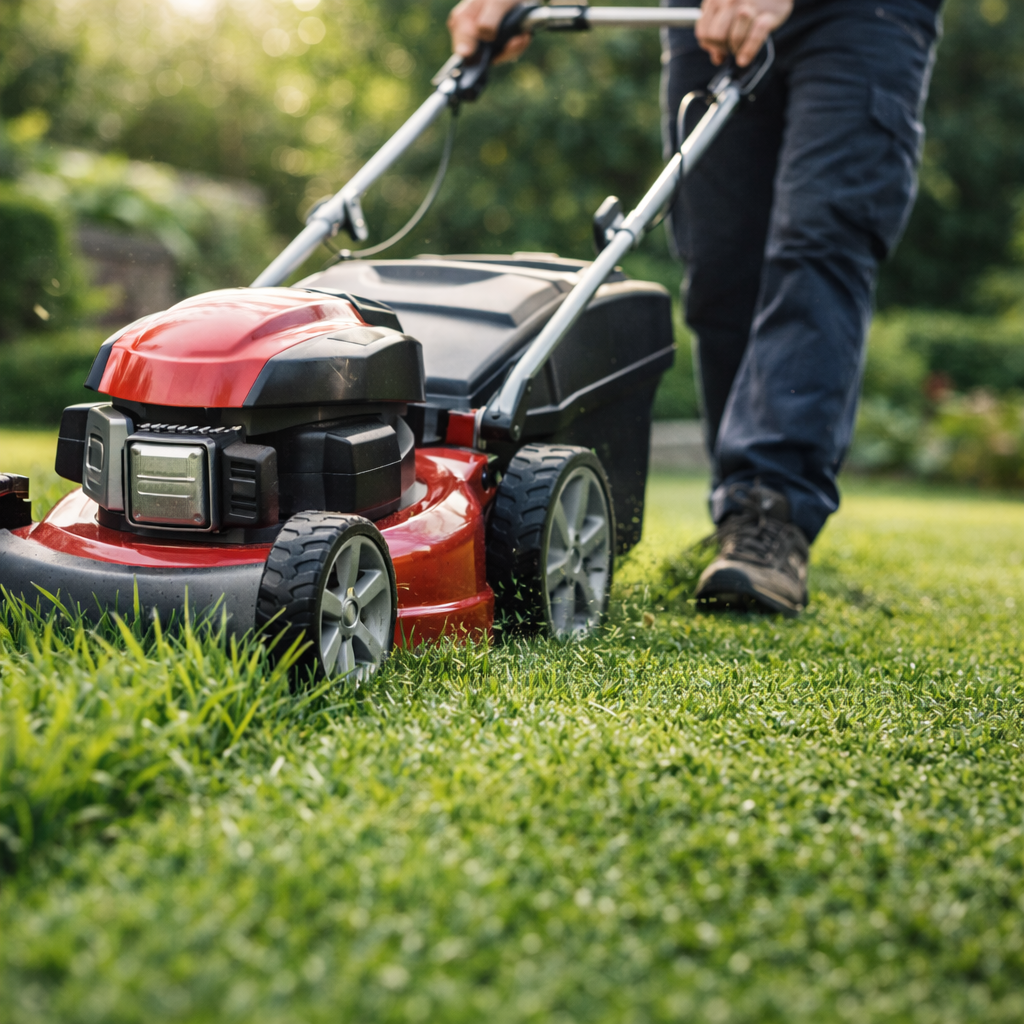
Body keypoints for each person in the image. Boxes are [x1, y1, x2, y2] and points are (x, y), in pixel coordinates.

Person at [448, 0, 942, 616]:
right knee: (718, 260)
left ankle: (770, 511)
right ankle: (743, 506)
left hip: (862, 18)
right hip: (704, 16)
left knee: (817, 245)